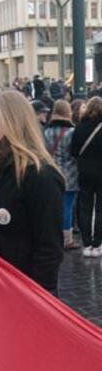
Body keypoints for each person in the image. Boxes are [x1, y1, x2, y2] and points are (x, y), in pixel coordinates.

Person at [0, 90, 64, 295]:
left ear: (13, 122)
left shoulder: (39, 175)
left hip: (24, 294)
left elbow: (49, 250)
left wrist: (36, 299)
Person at [44, 100, 80, 249]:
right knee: (67, 207)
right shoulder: (72, 132)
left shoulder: (47, 132)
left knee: (54, 207)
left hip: (52, 173)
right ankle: (67, 239)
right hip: (70, 175)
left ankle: (53, 235)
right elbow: (74, 154)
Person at [71, 97, 102, 258]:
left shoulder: (80, 128)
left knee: (85, 207)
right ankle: (97, 244)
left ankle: (87, 243)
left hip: (84, 172)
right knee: (100, 209)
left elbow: (73, 151)